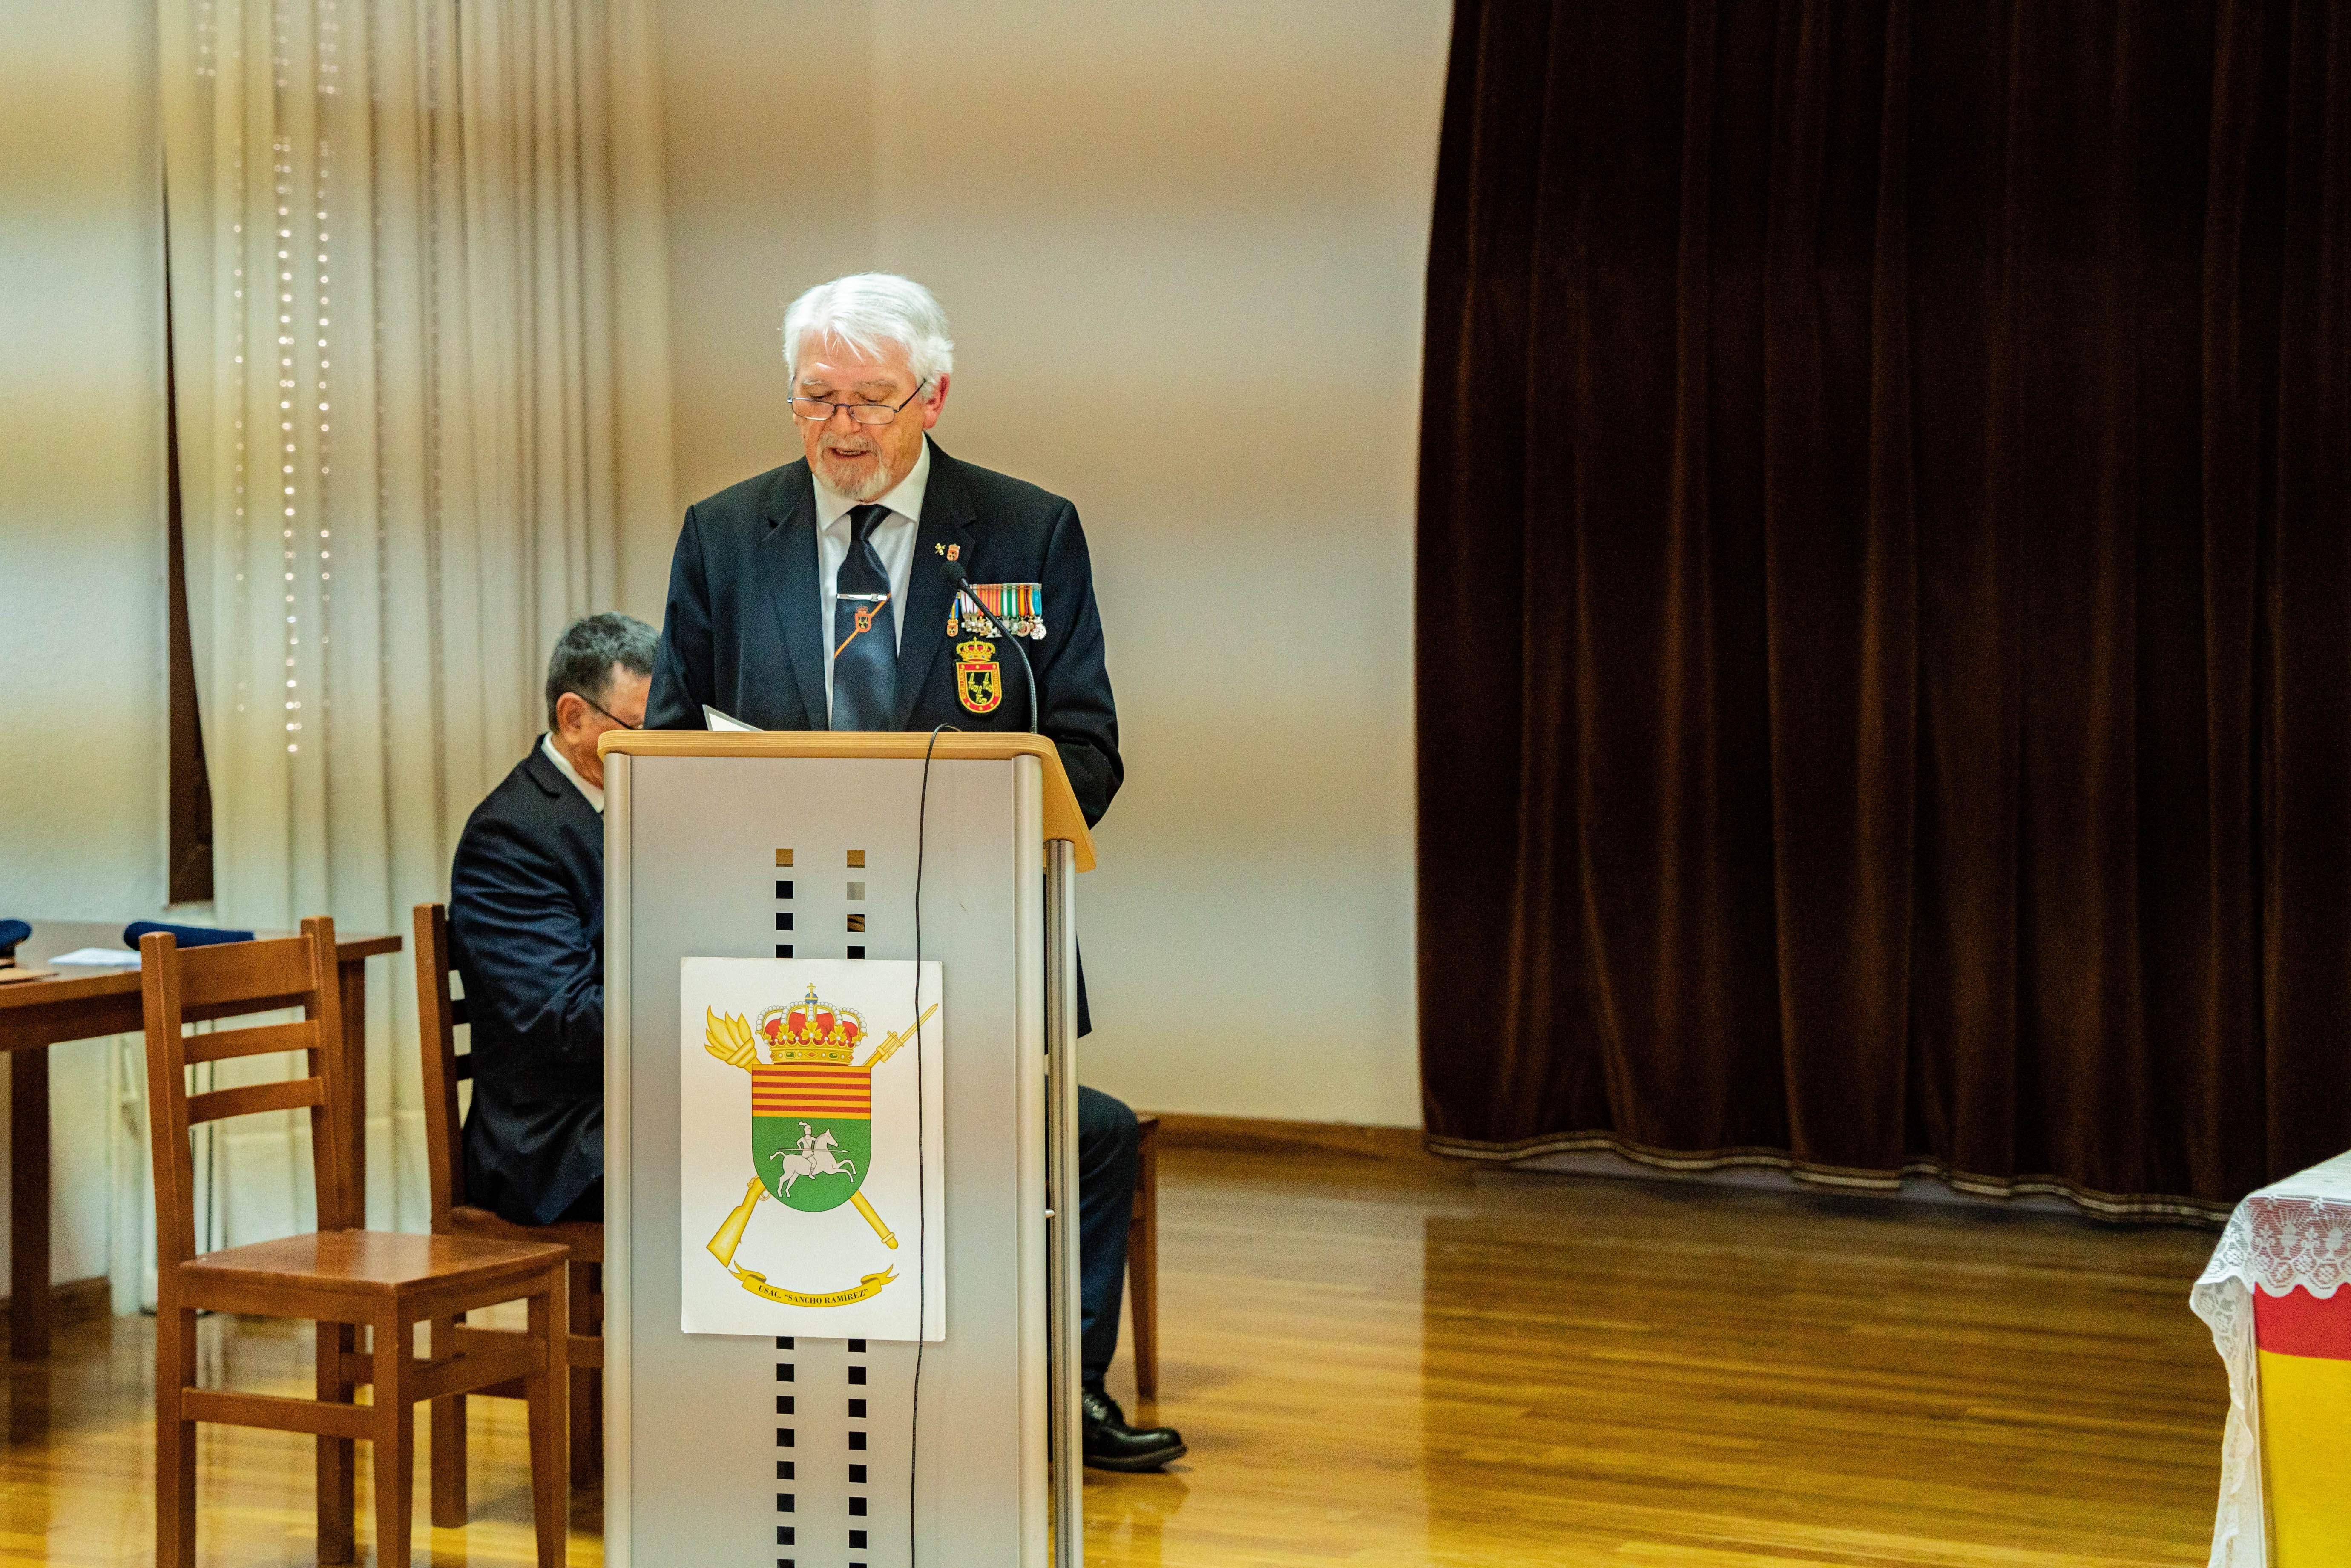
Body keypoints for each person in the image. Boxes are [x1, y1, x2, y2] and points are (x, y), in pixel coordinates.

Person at [644, 272, 1183, 1473]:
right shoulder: (725, 535)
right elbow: (671, 752)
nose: (841, 426)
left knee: (1053, 1149)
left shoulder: (1026, 530)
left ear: (933, 397)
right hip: (781, 953)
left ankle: (1046, 1401)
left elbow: (1087, 748)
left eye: (871, 400)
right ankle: (814, 1419)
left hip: (971, 935)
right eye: (815, 397)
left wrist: (965, 825)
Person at [448, 612, 655, 1228]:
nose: (657, 748)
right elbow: (560, 1021)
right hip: (553, 1139)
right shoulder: (509, 836)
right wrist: (695, 1001)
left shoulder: (638, 806)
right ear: (573, 717)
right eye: (640, 729)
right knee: (735, 1147)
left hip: (622, 1101)